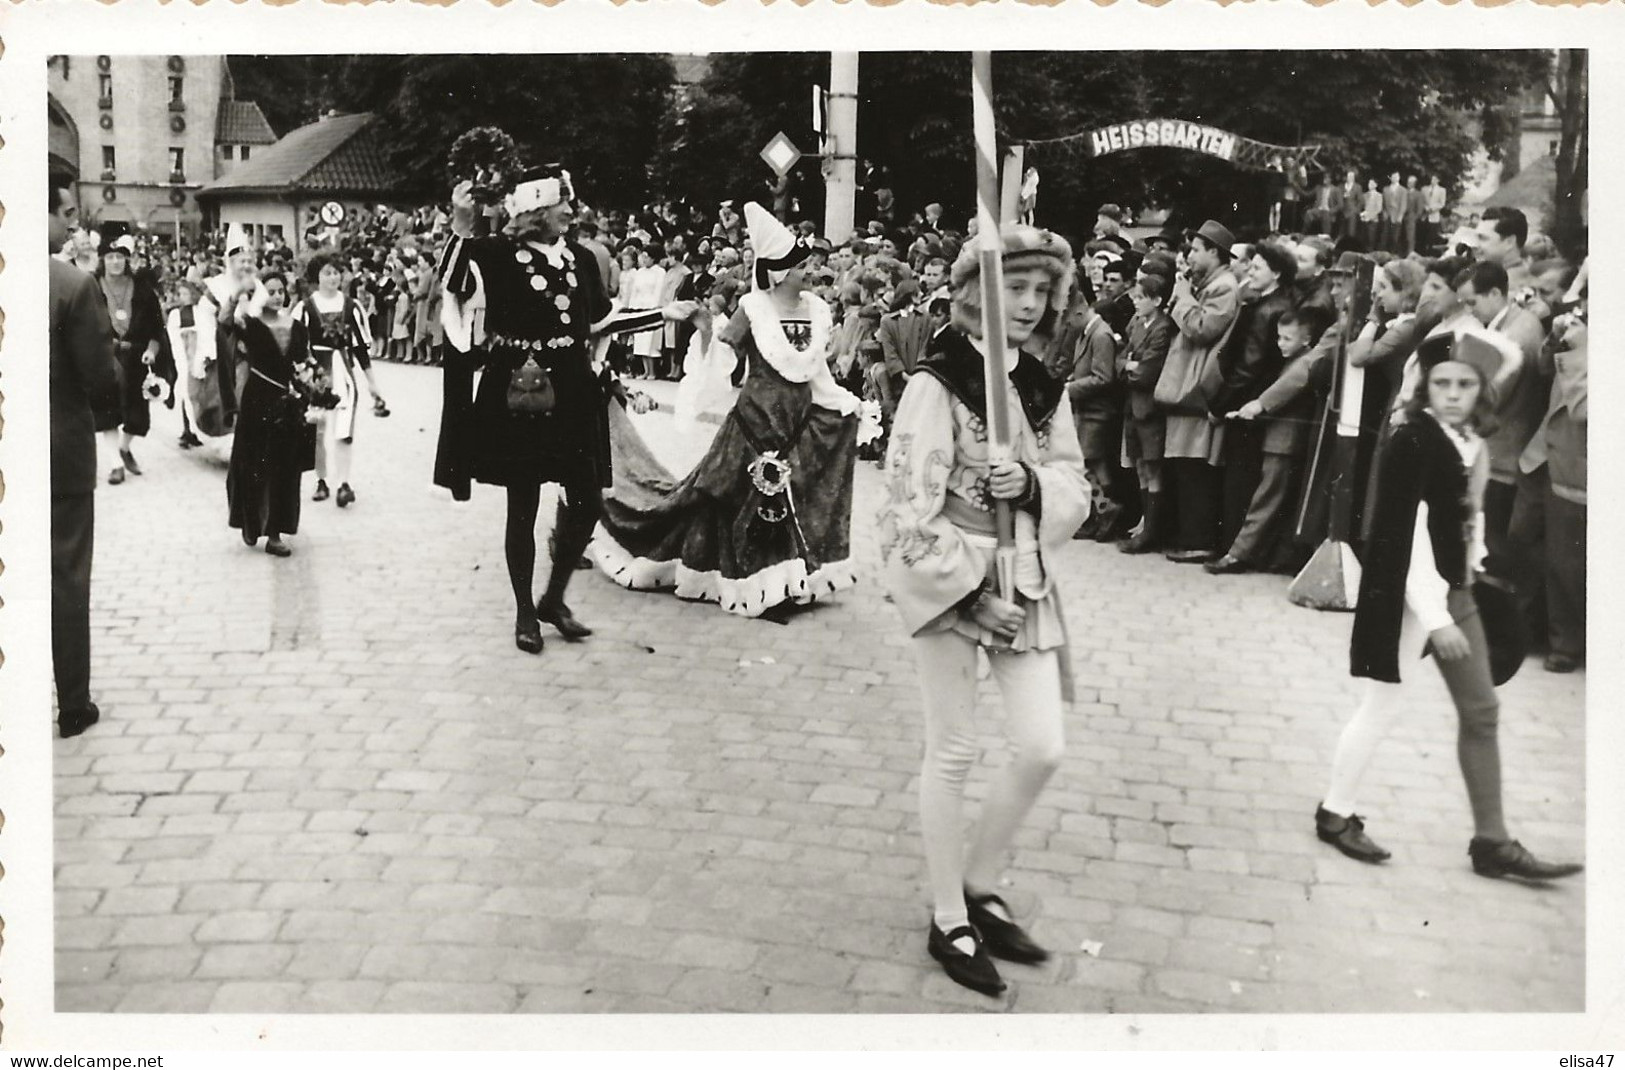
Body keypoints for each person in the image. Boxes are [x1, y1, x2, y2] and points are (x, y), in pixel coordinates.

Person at [877, 222, 1090, 998]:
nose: (1030, 305)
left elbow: (1074, 479)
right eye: (1016, 289)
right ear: (978, 293)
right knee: (954, 750)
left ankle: (980, 881)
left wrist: (1030, 488)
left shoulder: (1041, 385)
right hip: (950, 583)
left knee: (1041, 746)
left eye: (1042, 291)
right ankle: (946, 915)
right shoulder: (937, 380)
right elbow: (904, 505)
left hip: (1023, 573)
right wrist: (969, 599)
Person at [1320, 332, 1582, 882]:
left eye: (1466, 384)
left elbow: (1469, 514)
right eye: (1443, 383)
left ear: (1483, 390)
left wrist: (1475, 563)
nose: (1454, 394)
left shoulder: (1472, 443)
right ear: (1425, 386)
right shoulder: (1412, 440)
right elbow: (1401, 535)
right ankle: (1335, 813)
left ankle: (1492, 841)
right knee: (1382, 707)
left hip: (1455, 589)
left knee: (1482, 711)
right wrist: (1436, 620)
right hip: (1408, 597)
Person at [435, 165, 689, 654]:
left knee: (589, 500)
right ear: (534, 210)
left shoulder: (581, 258)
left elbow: (601, 320)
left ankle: (553, 598)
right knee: (522, 504)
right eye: (561, 205)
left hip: (571, 386)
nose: (571, 212)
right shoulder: (495, 252)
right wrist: (462, 227)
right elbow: (454, 284)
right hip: (517, 386)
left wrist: (664, 313)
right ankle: (525, 612)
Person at [592, 203, 864, 618]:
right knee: (744, 502)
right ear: (777, 272)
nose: (808, 272)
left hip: (797, 422)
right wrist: (705, 332)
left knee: (784, 499)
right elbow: (723, 359)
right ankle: (757, 588)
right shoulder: (752, 309)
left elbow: (817, 371)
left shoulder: (816, 310)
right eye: (798, 267)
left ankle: (786, 582)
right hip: (755, 423)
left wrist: (844, 405)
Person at [49, 179, 120, 738]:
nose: (74, 223)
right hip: (58, 456)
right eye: (66, 212)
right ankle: (73, 703)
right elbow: (99, 377)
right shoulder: (70, 285)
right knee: (65, 575)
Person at [1155, 220, 1241, 563]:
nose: (1188, 257)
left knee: (1195, 467)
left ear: (1214, 253)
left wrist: (1183, 299)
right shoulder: (1208, 284)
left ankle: (1199, 540)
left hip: (1196, 388)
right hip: (1186, 389)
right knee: (1185, 463)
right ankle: (1188, 536)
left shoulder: (1223, 288)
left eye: (1195, 250)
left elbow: (1202, 328)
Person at [227, 271, 318, 556]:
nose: (277, 296)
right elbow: (224, 322)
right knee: (254, 464)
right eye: (271, 290)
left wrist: (314, 387)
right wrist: (236, 294)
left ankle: (276, 532)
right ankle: (251, 523)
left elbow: (304, 362)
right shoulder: (250, 324)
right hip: (257, 401)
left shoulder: (296, 326)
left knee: (284, 469)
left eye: (281, 291)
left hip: (287, 402)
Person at [296, 252, 380, 509]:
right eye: (327, 273)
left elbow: (360, 349)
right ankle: (322, 481)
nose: (333, 277)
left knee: (344, 432)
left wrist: (372, 382)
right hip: (317, 376)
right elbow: (297, 346)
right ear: (316, 277)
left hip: (344, 374)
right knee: (318, 430)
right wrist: (301, 376)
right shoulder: (305, 307)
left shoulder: (352, 307)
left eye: (336, 272)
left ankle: (344, 483)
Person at [96, 234, 175, 485]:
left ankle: (124, 447)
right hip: (104, 357)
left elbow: (156, 328)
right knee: (107, 412)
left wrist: (152, 350)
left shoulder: (142, 289)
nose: (115, 262)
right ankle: (115, 464)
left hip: (137, 359)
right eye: (110, 257)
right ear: (103, 260)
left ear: (127, 259)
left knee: (137, 417)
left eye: (120, 256)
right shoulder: (91, 287)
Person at [1116, 274, 1176, 554]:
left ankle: (1152, 530)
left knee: (1152, 467)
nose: (1136, 302)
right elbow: (1120, 361)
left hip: (1149, 408)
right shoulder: (1136, 323)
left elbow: (1148, 371)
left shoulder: (1162, 328)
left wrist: (1130, 367)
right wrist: (1129, 366)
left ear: (1157, 300)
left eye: (1141, 298)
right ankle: (1143, 524)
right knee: (1139, 465)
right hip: (1133, 406)